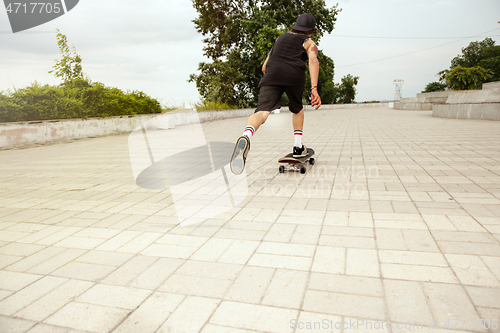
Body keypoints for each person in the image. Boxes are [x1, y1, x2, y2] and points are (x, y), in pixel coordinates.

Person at [230, 13, 322, 175]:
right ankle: (297, 146)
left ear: (295, 27)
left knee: (262, 112)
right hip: (294, 75)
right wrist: (314, 88)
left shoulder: (280, 39)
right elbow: (313, 60)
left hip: (272, 74)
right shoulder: (308, 42)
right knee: (297, 108)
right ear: (311, 31)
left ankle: (246, 136)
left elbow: (265, 66)